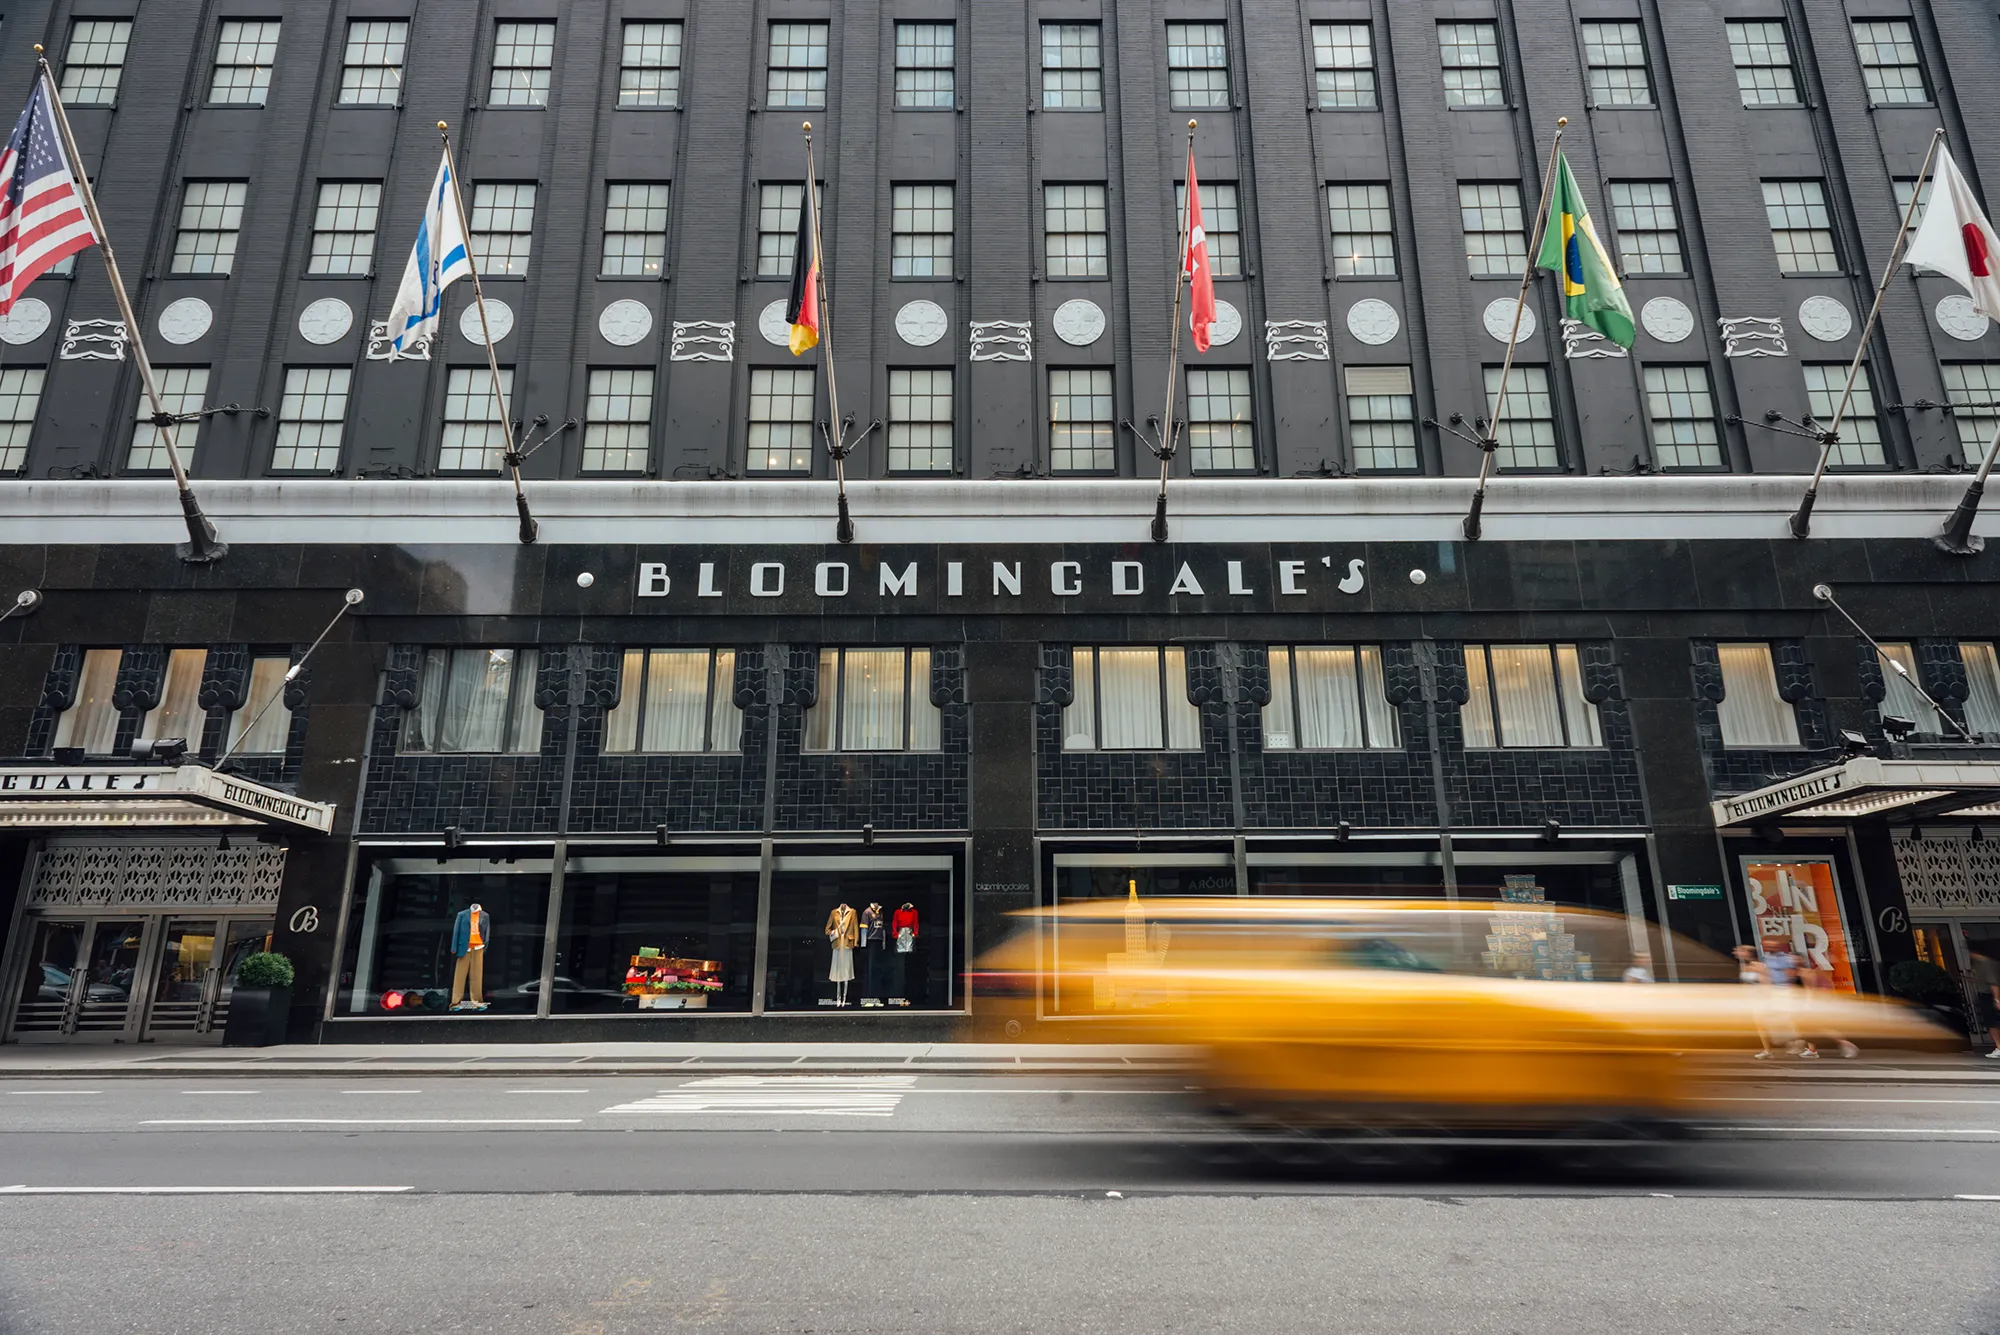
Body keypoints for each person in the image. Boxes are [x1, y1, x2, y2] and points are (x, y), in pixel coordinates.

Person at [1972, 947, 2000, 1059]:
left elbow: (1993, 983)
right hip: (1988, 996)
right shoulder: (1986, 963)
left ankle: (1999, 1047)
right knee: (1993, 1023)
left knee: (1991, 1023)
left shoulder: (1985, 963)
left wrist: (1997, 999)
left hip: (1988, 996)